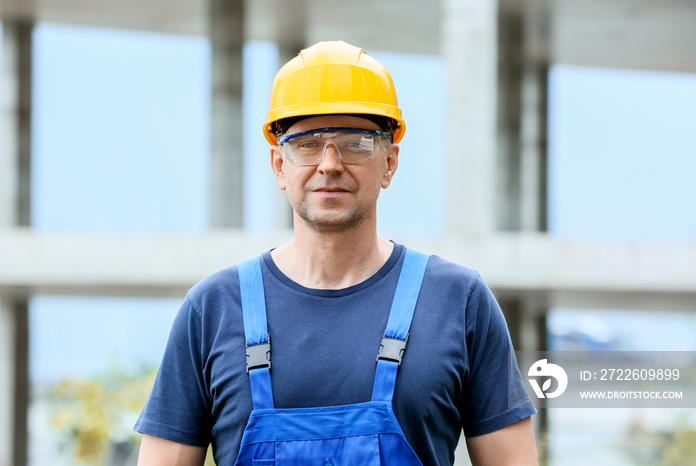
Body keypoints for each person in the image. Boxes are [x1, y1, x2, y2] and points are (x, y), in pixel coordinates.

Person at [134, 40, 538, 466]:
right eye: (307, 143)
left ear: (389, 161)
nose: (329, 163)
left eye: (356, 142)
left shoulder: (458, 301)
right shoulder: (213, 309)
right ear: (278, 165)